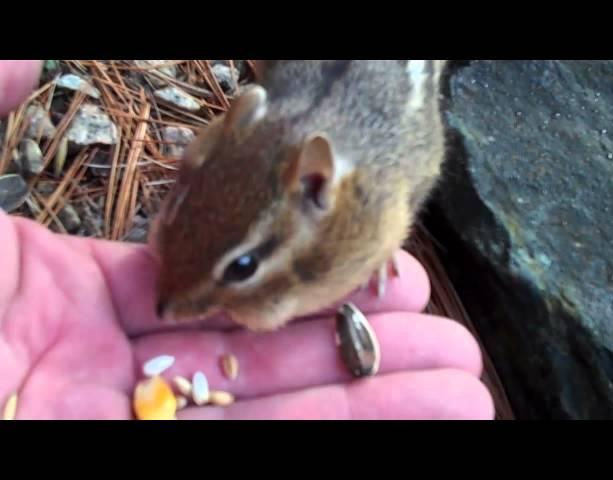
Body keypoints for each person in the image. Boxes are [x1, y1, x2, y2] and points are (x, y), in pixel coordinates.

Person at [0, 60, 494, 419]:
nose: (166, 308)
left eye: (241, 268)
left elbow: (417, 174)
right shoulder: (237, 135)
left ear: (319, 187)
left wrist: (379, 254)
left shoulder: (360, 210)